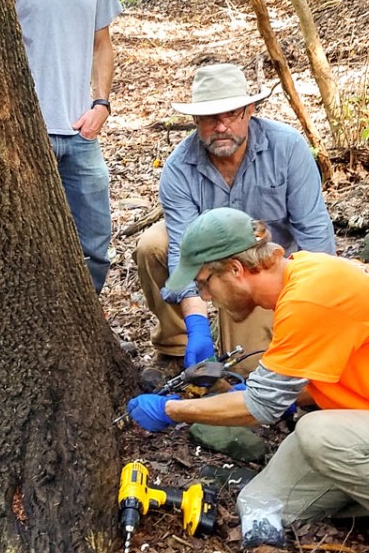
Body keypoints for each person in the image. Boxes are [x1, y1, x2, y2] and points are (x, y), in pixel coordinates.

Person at [127, 208, 369, 553]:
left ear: (235, 269)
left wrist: (171, 410)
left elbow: (261, 407)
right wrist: (252, 393)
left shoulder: (310, 298)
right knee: (262, 504)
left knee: (317, 433)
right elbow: (305, 380)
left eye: (205, 284)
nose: (204, 297)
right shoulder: (303, 276)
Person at [136, 63, 335, 372]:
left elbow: (314, 231)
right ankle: (177, 348)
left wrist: (316, 302)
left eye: (232, 114)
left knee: (250, 367)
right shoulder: (178, 167)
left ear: (250, 110)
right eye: (209, 118)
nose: (221, 126)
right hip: (209, 260)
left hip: (269, 267)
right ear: (195, 120)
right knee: (153, 245)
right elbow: (181, 248)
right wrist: (196, 323)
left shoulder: (288, 148)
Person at [0, 0, 122, 293]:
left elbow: (101, 41)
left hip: (79, 131)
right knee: (23, 242)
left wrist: (101, 104)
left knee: (94, 242)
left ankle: (88, 322)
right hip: (23, 130)